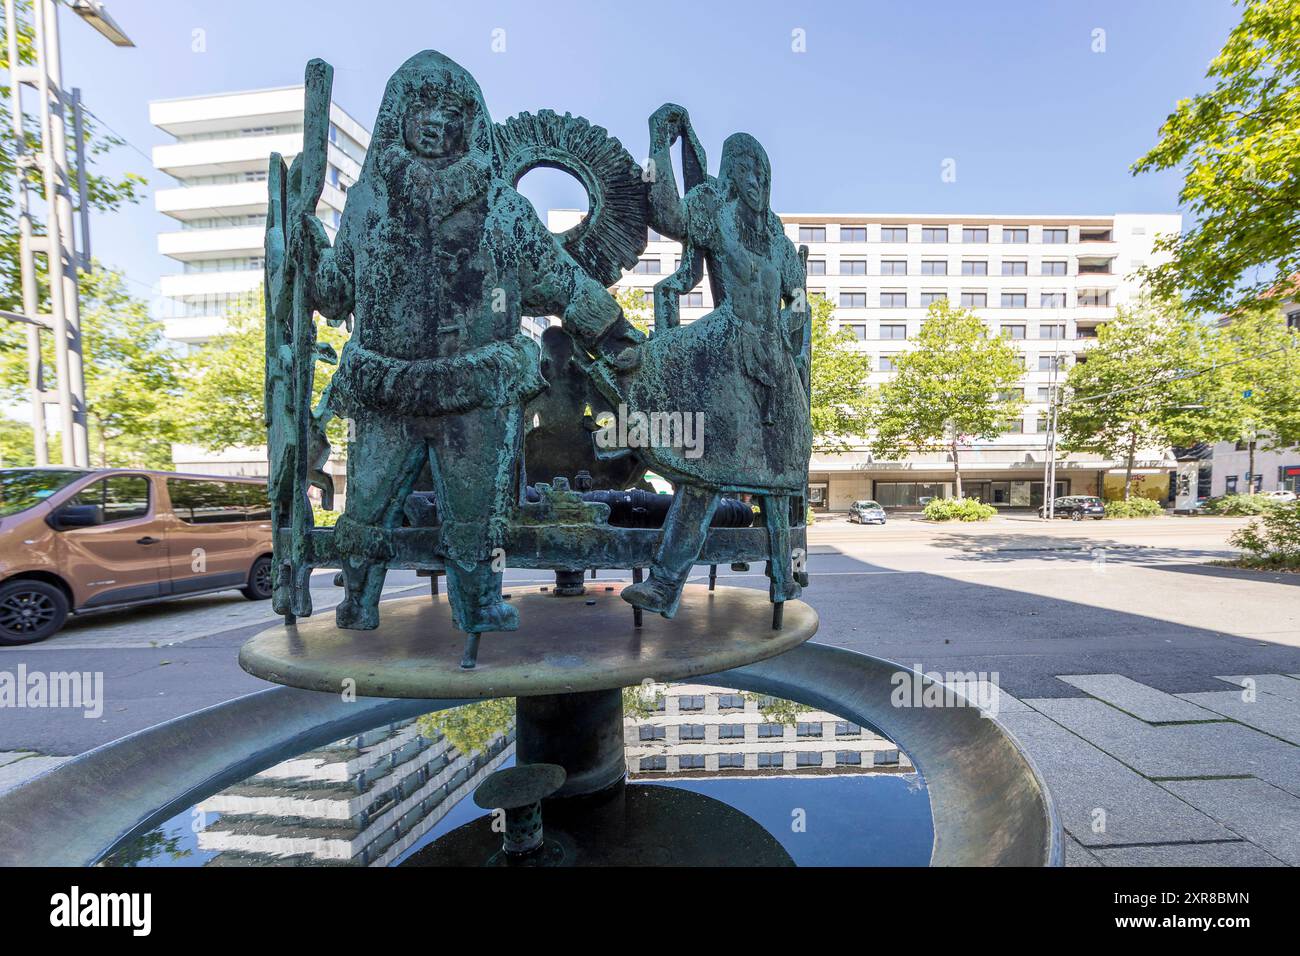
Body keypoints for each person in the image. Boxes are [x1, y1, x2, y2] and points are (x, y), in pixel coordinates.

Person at [301, 51, 642, 642]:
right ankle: (358, 598)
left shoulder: (504, 211)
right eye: (420, 107)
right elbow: (333, 295)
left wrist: (617, 334)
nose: (434, 122)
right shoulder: (365, 205)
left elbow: (561, 281)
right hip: (387, 390)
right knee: (366, 511)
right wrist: (305, 247)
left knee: (476, 516)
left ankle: (479, 603)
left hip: (475, 393)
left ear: (471, 122)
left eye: (450, 111)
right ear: (398, 117)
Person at [616, 105, 812, 618]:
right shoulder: (715, 208)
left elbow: (797, 297)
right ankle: (664, 584)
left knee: (782, 472)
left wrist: (794, 324)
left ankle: (786, 576)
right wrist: (659, 142)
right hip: (725, 351)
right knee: (705, 469)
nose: (757, 181)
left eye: (763, 173)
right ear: (730, 172)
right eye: (748, 170)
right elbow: (666, 214)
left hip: (773, 365)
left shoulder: (778, 238)